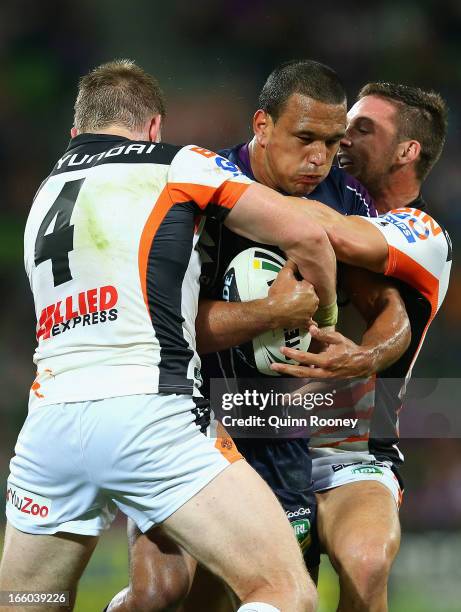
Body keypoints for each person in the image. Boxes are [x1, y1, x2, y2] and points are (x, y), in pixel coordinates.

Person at [0, 59, 350, 612]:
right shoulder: (179, 164)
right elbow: (306, 235)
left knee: (27, 601)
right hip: (149, 416)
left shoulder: (44, 193)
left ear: (75, 134)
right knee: (284, 592)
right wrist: (325, 322)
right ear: (156, 127)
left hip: (48, 430)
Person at [112, 61, 412, 612]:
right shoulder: (200, 191)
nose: (319, 157)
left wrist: (362, 355)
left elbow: (392, 311)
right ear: (262, 125)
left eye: (331, 142)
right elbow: (163, 329)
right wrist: (266, 312)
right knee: (161, 594)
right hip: (191, 421)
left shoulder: (344, 199)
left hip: (280, 432)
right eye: (304, 139)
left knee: (270, 596)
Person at [272, 83, 450, 611]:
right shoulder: (317, 195)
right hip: (262, 431)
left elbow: (347, 239)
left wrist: (249, 186)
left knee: (368, 562)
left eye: (363, 128)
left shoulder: (423, 233)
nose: (343, 137)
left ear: (407, 151)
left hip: (356, 448)